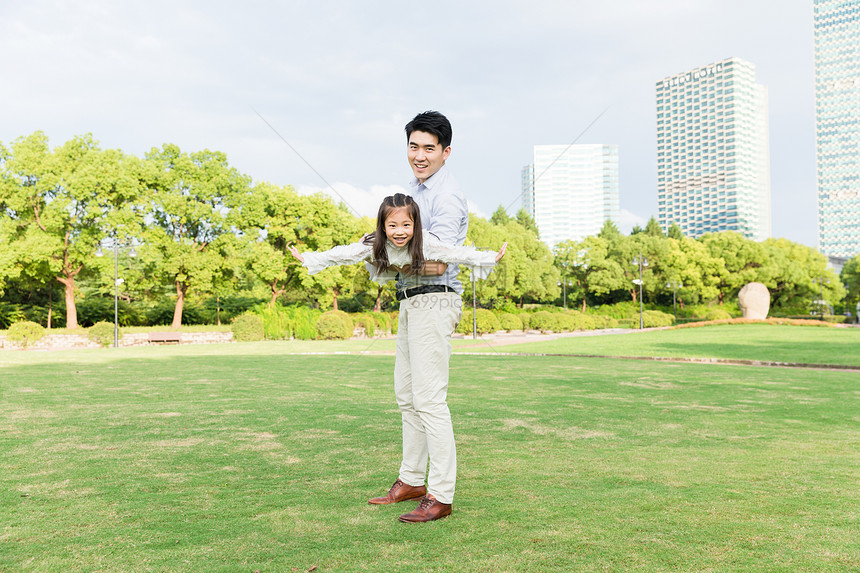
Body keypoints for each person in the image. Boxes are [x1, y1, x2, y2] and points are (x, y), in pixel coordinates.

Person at [370, 110, 471, 523]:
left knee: (429, 400)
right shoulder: (413, 192)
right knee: (407, 396)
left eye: (430, 148)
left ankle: (440, 495)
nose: (420, 155)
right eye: (414, 146)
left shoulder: (446, 197)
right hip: (411, 300)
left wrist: (383, 256)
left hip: (437, 297)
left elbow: (439, 261)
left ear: (446, 152)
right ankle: (411, 479)